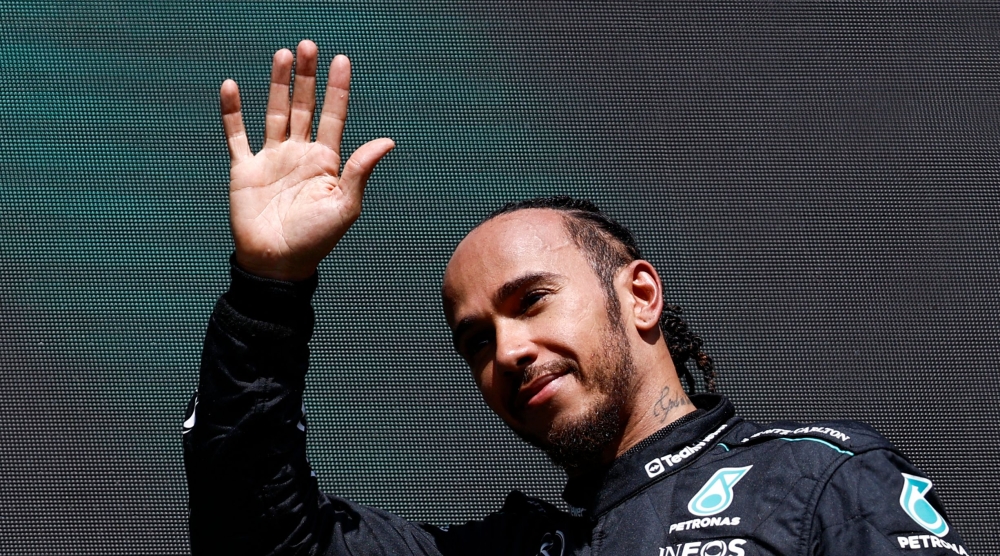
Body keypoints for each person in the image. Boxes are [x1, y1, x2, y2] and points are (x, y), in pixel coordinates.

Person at [184, 41, 969, 556]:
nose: (508, 352)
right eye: (477, 342)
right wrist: (269, 285)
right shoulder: (510, 549)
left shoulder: (814, 477)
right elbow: (261, 536)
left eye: (530, 302)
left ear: (640, 295)